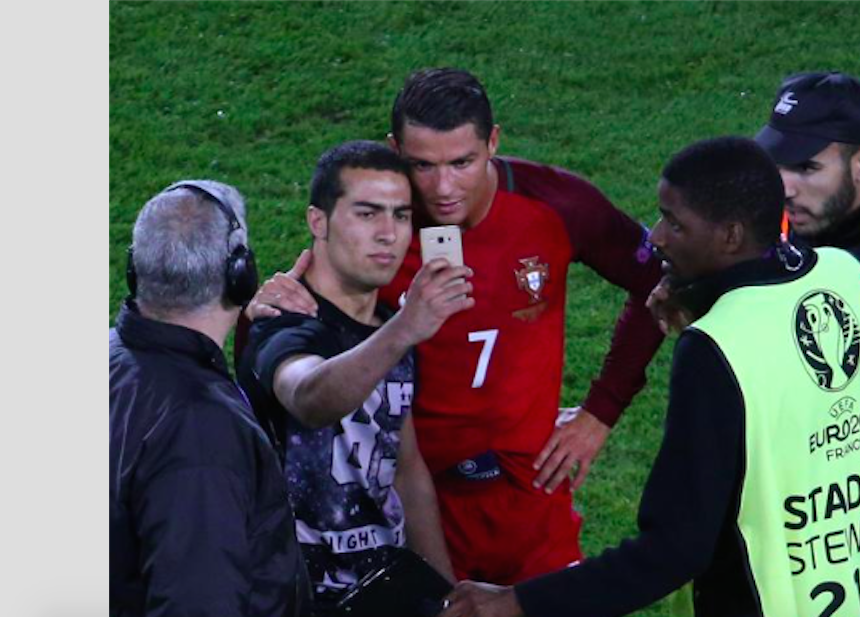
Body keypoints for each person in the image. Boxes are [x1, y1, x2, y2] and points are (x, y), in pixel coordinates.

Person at [443, 136, 860, 617]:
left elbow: (675, 550)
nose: (656, 236)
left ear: (731, 236)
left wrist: (518, 601)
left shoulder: (713, 348)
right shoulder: (846, 276)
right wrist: (699, 293)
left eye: (675, 223)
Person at [242, 68, 665, 583]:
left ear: (493, 142)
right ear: (394, 149)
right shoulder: (379, 236)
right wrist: (267, 303)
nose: (443, 188)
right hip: (415, 503)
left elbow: (659, 279)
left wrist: (601, 411)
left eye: (462, 163)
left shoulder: (555, 205)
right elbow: (302, 327)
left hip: (531, 503)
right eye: (421, 165)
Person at [236, 141, 471, 614]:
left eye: (401, 216)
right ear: (318, 221)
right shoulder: (280, 319)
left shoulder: (391, 328)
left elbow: (406, 470)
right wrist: (406, 329)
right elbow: (308, 397)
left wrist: (446, 596)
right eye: (367, 214)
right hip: (296, 598)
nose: (388, 234)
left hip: (387, 593)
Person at [110, 180, 307, 616]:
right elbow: (198, 601)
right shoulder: (201, 429)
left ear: (135, 268)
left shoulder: (110, 358)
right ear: (241, 275)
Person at [753, 71, 860, 566]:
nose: (783, 187)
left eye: (806, 168)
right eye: (776, 164)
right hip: (796, 547)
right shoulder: (761, 238)